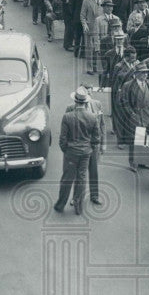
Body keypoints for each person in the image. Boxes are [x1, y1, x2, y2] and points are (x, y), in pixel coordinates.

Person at [55, 87, 101, 215]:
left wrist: (66, 149)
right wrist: (89, 148)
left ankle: (60, 205)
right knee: (81, 178)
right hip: (86, 152)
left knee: (67, 179)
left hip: (71, 152)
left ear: (75, 101)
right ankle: (78, 206)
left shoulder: (67, 116)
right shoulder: (92, 117)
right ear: (86, 102)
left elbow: (62, 138)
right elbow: (97, 137)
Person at [117, 65, 149, 171]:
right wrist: (131, 113)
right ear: (136, 74)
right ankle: (133, 163)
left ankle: (143, 161)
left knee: (145, 138)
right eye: (142, 72)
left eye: (146, 72)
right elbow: (123, 102)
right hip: (135, 115)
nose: (145, 75)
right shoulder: (128, 85)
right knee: (134, 139)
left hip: (148, 114)